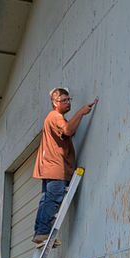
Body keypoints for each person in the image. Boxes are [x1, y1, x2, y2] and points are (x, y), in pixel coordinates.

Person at [31, 87, 98, 246]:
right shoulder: (55, 116)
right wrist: (81, 112)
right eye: (64, 100)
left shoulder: (54, 117)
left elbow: (68, 130)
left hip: (50, 167)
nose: (68, 103)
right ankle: (44, 232)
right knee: (52, 199)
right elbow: (68, 130)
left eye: (69, 100)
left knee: (46, 200)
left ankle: (40, 232)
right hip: (56, 168)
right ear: (55, 103)